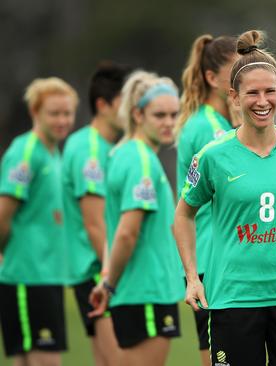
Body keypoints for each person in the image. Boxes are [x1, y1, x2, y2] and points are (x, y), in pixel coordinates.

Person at [174, 30, 276, 366]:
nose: (262, 101)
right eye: (252, 93)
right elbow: (183, 215)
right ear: (234, 96)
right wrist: (192, 278)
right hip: (234, 298)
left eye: (270, 91)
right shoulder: (213, 155)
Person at [88, 70, 184, 366]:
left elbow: (114, 225)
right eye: (159, 115)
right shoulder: (141, 160)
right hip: (147, 292)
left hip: (138, 292)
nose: (169, 123)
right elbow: (126, 232)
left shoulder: (122, 153)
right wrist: (110, 284)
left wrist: (107, 281)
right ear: (137, 114)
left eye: (173, 114)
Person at [0, 77, 77, 366]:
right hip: (26, 276)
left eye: (67, 113)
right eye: (54, 113)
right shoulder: (26, 152)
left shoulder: (52, 152)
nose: (62, 120)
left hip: (48, 275)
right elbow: (3, 214)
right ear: (35, 112)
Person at [175, 34, 239, 366]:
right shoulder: (209, 130)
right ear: (212, 78)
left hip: (221, 256)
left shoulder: (222, 122)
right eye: (236, 69)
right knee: (219, 358)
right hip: (210, 260)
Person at [62, 61, 131, 366]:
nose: (132, 109)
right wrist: (110, 275)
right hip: (96, 271)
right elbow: (95, 224)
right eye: (125, 102)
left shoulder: (104, 146)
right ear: (103, 105)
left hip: (95, 272)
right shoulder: (89, 150)